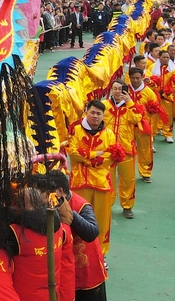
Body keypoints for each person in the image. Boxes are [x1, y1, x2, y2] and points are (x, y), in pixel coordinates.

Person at [36, 170, 106, 301]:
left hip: (87, 271)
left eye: (48, 192)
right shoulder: (48, 206)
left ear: (60, 191)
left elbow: (92, 232)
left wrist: (69, 213)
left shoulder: (81, 205)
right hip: (65, 271)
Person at [67, 99, 119, 256]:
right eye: (92, 112)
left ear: (103, 115)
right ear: (86, 112)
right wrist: (94, 154)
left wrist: (87, 160)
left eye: (99, 113)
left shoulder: (108, 134)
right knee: (77, 219)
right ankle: (76, 253)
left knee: (102, 222)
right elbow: (72, 152)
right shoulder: (75, 130)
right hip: (79, 182)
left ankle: (101, 255)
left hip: (102, 183)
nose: (95, 116)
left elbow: (112, 156)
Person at [103, 79, 143, 218]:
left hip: (126, 149)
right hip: (108, 150)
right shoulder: (104, 106)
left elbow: (137, 119)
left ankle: (127, 206)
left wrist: (129, 102)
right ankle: (107, 204)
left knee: (128, 179)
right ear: (111, 90)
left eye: (120, 89)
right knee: (107, 178)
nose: (118, 92)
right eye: (115, 89)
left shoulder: (131, 107)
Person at [128, 67, 165, 183]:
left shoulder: (149, 92)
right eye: (133, 78)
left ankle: (145, 172)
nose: (135, 80)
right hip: (127, 125)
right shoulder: (124, 90)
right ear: (129, 78)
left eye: (138, 78)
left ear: (142, 78)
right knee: (126, 149)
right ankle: (127, 172)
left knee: (145, 150)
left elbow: (154, 111)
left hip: (143, 125)